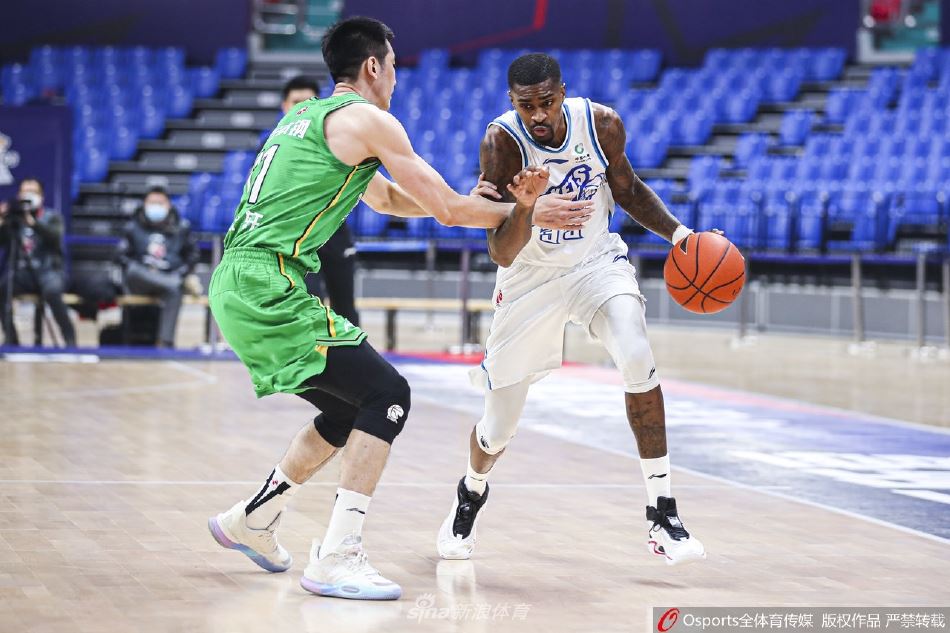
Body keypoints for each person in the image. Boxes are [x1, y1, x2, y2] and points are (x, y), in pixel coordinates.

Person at [205, 17, 590, 601]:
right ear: (372, 66)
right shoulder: (369, 119)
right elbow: (449, 212)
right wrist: (527, 212)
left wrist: (471, 202)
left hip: (237, 282)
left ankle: (252, 519)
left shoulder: (306, 118)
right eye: (392, 65)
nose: (396, 78)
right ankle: (337, 555)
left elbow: (386, 198)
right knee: (387, 394)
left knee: (344, 411)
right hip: (268, 285)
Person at [436, 53, 707, 566]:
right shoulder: (501, 142)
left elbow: (627, 189)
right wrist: (526, 207)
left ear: (563, 92)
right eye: (527, 105)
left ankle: (662, 511)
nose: (538, 114)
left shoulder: (601, 124)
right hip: (530, 278)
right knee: (498, 427)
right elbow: (501, 252)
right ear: (512, 102)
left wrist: (681, 235)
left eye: (547, 101)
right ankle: (471, 490)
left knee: (636, 353)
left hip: (594, 264)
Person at [280, 75, 362, 326]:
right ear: (284, 105)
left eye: (309, 101)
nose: (302, 107)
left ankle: (351, 352)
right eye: (296, 102)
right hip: (297, 240)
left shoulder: (335, 141)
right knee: (308, 306)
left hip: (334, 234)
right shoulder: (274, 144)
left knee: (346, 311)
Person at [115, 187, 198, 348]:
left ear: (169, 205)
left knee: (175, 291)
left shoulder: (182, 227)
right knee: (134, 270)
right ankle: (173, 282)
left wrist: (180, 273)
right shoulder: (132, 227)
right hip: (140, 280)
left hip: (168, 279)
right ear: (144, 205)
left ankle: (165, 342)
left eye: (160, 203)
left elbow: (192, 256)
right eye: (152, 203)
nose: (156, 207)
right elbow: (121, 257)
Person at [0, 177, 77, 347]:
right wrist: (3, 221)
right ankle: (11, 338)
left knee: (52, 291)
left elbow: (54, 238)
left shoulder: (52, 217)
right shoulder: (14, 219)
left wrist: (33, 223)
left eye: (33, 192)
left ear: (41, 196)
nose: (28, 195)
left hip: (49, 271)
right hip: (24, 274)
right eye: (25, 192)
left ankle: (70, 338)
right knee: (2, 287)